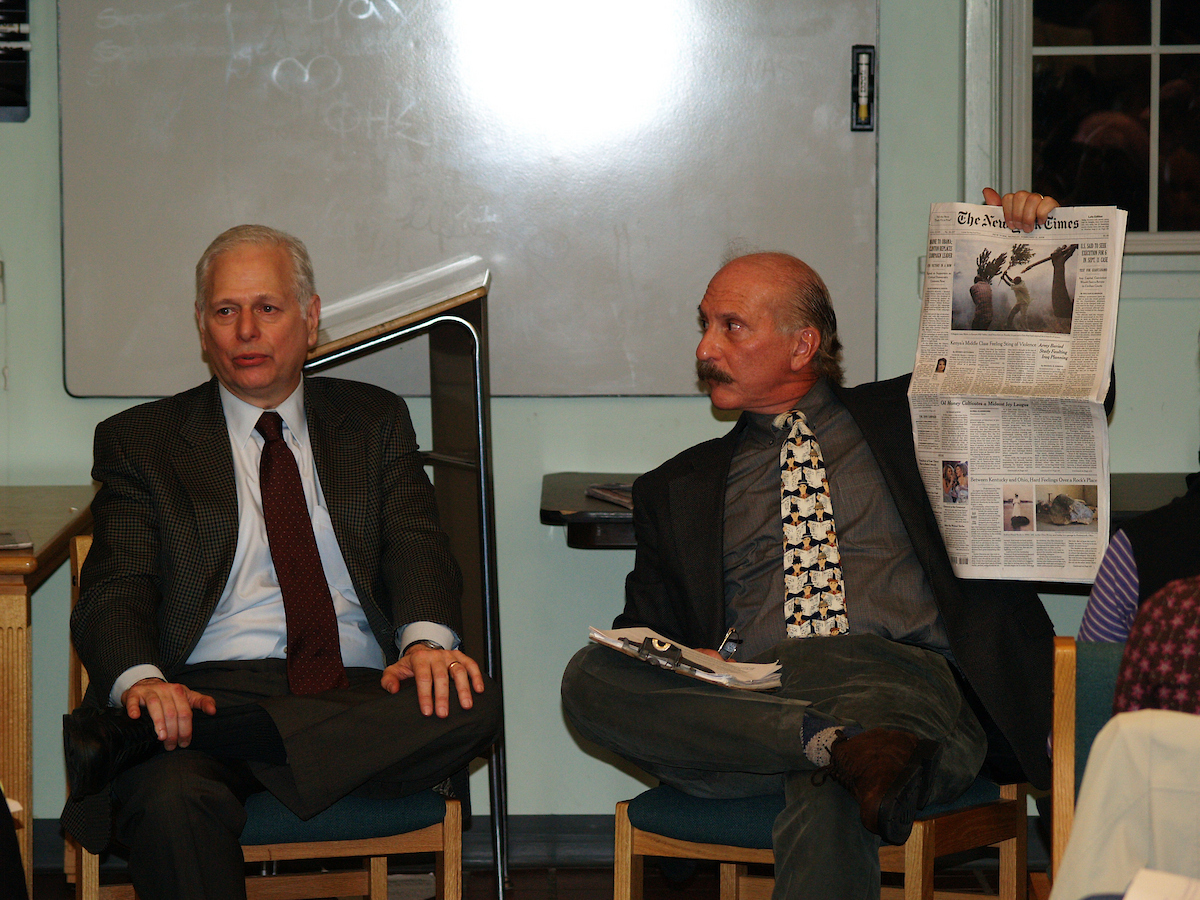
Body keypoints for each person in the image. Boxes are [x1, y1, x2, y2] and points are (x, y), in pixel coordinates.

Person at [561, 190, 1060, 900]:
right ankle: (831, 744)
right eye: (705, 326)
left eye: (733, 327)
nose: (706, 349)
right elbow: (644, 639)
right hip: (755, 697)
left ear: (803, 343)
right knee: (589, 678)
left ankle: (832, 744)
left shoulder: (917, 417)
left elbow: (1063, 391)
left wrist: (1030, 249)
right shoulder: (677, 488)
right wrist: (690, 664)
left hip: (903, 685)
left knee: (838, 785)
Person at [60, 225, 502, 900]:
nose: (245, 331)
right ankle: (217, 735)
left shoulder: (375, 421)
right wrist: (143, 683)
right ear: (202, 328)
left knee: (471, 700)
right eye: (225, 311)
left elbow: (417, 542)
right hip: (201, 688)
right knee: (171, 800)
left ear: (311, 318)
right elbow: (116, 587)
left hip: (354, 693)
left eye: (266, 308)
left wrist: (424, 643)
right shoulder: (142, 443)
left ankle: (219, 739)